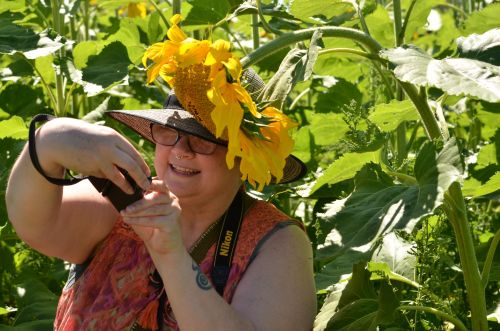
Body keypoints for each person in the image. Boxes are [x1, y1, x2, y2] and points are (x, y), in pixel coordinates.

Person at [5, 15, 316, 331]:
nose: (182, 149)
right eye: (170, 132)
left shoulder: (277, 243)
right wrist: (48, 141)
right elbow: (32, 223)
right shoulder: (124, 202)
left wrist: (170, 256)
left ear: (243, 158)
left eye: (204, 140)